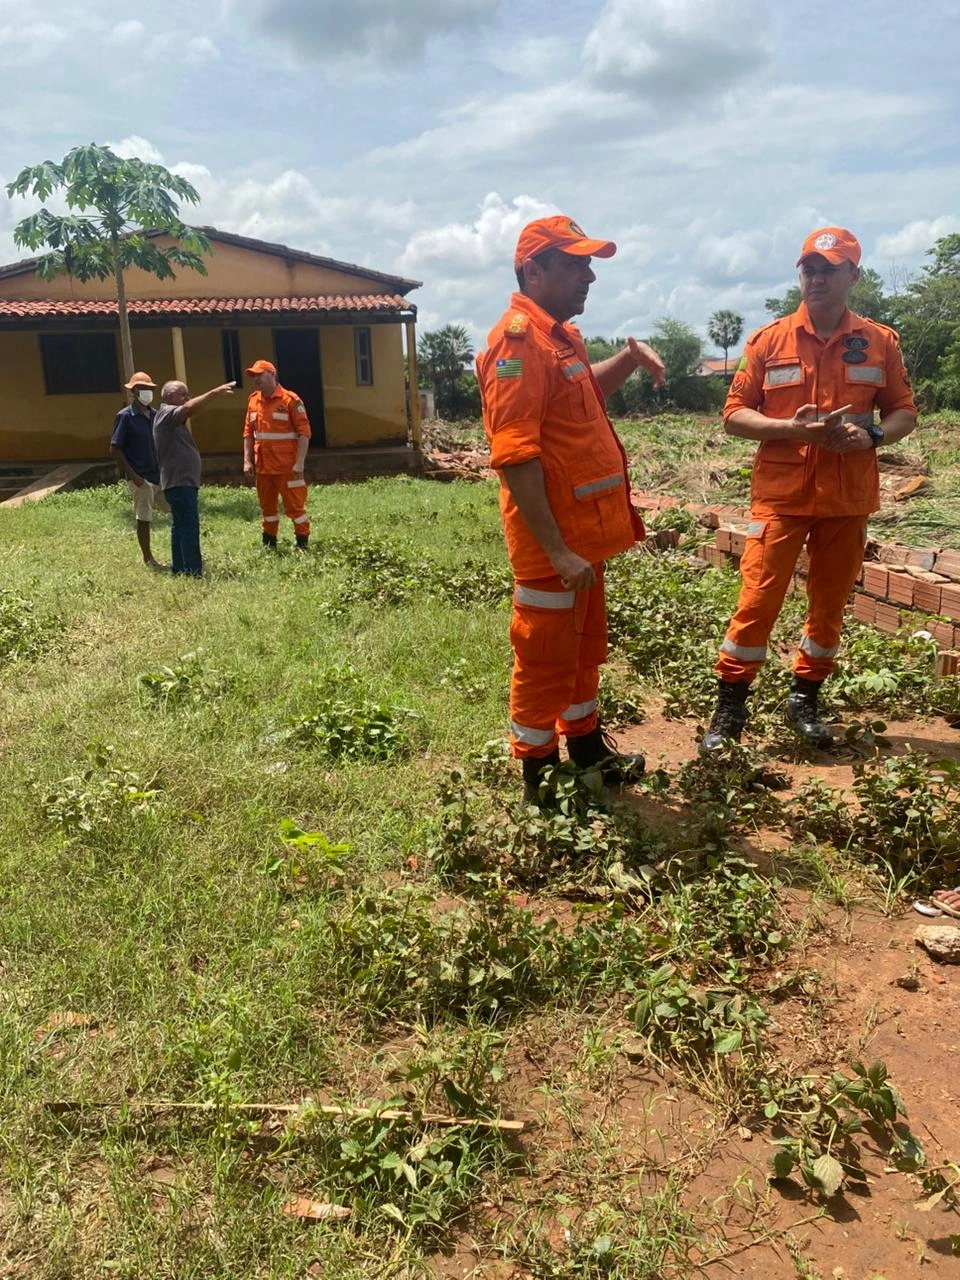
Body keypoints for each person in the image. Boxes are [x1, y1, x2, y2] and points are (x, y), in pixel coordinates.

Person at [700, 226, 918, 753]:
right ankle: (730, 706)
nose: (816, 278)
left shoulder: (879, 341)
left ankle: (805, 698)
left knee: (829, 603)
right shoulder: (768, 341)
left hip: (847, 496)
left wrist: (870, 436)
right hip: (782, 496)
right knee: (757, 599)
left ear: (853, 276)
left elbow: (904, 412)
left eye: (829, 269)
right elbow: (733, 416)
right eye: (809, 269)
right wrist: (791, 429)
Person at [476, 214, 665, 804]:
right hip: (552, 543)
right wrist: (556, 550)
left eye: (590, 264)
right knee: (544, 657)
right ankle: (540, 778)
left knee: (583, 650)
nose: (589, 276)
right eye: (575, 264)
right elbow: (515, 455)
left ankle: (585, 750)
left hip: (583, 538)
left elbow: (577, 400)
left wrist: (628, 362)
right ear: (534, 270)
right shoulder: (517, 343)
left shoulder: (559, 337)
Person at [153, 379, 236, 576]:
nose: (187, 398)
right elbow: (189, 409)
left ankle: (180, 567)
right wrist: (214, 392)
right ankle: (193, 571)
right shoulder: (166, 414)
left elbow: (188, 409)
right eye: (183, 394)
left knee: (180, 525)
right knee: (189, 525)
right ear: (169, 397)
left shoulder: (170, 419)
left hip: (180, 481)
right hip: (179, 482)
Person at [242, 359, 312, 549]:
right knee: (268, 508)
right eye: (253, 376)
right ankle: (269, 543)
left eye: (259, 375)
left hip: (287, 467)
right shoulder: (253, 401)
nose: (256, 379)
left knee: (295, 507)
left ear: (272, 374)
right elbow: (248, 433)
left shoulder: (290, 400)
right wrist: (247, 461)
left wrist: (300, 463)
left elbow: (304, 433)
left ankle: (302, 543)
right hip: (263, 467)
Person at [109, 371, 167, 568]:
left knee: (176, 509)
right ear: (134, 392)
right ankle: (148, 557)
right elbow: (115, 448)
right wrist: (134, 477)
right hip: (140, 477)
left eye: (150, 389)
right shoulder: (125, 416)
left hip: (158, 474)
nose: (147, 393)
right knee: (144, 518)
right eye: (143, 389)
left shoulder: (154, 414)